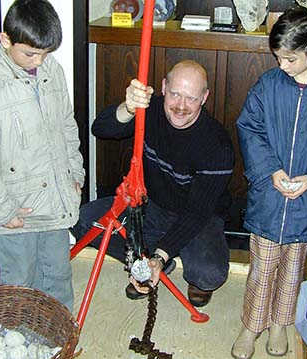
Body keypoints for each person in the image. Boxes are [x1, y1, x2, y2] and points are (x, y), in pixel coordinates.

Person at [72, 60, 235, 307]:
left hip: (198, 219)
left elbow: (197, 213)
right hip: (151, 207)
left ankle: (159, 257)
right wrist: (128, 107)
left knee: (208, 274)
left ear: (204, 98)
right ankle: (145, 259)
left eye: (191, 98)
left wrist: (160, 254)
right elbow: (101, 129)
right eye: (175, 94)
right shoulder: (150, 110)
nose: (181, 106)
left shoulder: (217, 146)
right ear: (163, 87)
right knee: (83, 219)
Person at [231, 6, 307, 359]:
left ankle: (281, 323)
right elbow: (249, 127)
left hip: (306, 200)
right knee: (262, 269)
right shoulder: (268, 84)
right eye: (277, 57)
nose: (281, 65)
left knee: (293, 268)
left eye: (289, 59)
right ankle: (251, 326)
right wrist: (271, 171)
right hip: (270, 196)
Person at [0, 0, 85, 312]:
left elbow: (67, 125)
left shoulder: (50, 68)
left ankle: (58, 341)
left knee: (58, 276)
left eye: (44, 53)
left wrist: (75, 176)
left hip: (56, 201)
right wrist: (3, 210)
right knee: (19, 283)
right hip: (17, 210)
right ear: (6, 40)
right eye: (30, 53)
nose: (38, 61)